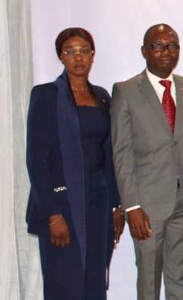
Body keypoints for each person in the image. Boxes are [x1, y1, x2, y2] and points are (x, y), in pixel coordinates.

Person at [26, 27, 124, 299]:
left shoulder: (102, 96)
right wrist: (53, 214)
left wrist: (117, 204)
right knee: (65, 282)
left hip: (99, 201)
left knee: (93, 280)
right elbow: (36, 159)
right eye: (70, 52)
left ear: (93, 56)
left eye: (84, 51)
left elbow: (109, 153)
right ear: (61, 57)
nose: (78, 58)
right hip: (63, 203)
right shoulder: (46, 95)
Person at [111, 23, 183, 300]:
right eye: (158, 46)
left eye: (172, 46)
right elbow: (121, 152)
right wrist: (132, 205)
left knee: (179, 281)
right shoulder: (125, 91)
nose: (166, 52)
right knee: (148, 284)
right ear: (144, 51)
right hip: (146, 207)